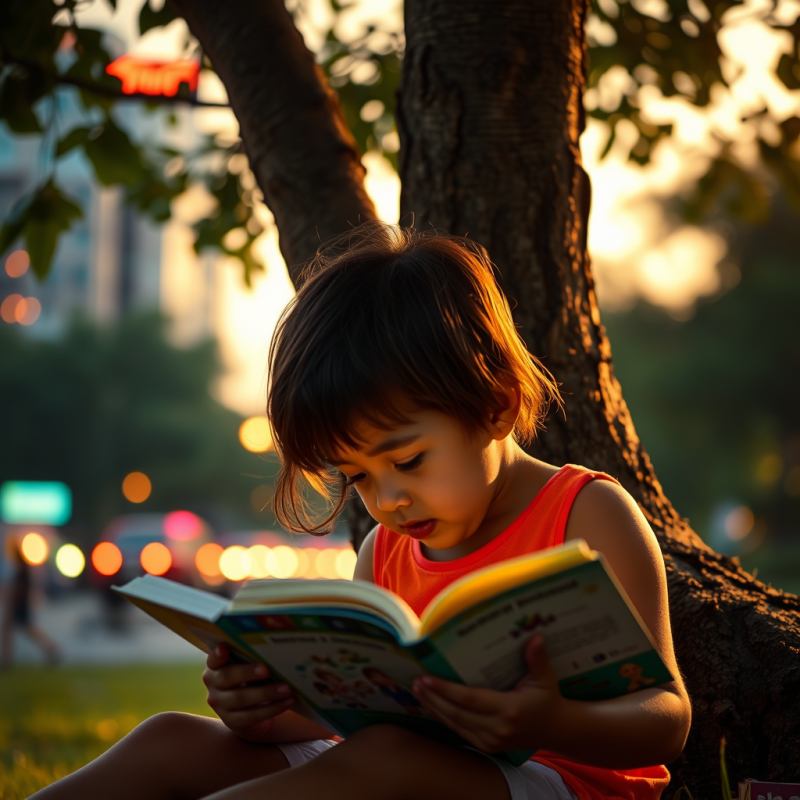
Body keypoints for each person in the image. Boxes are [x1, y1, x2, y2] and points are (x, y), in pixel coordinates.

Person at [32, 223, 691, 800]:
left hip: (555, 780)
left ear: (494, 404)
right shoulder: (385, 548)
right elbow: (363, 717)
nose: (388, 500)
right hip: (401, 765)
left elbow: (666, 717)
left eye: (407, 462)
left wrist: (550, 722)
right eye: (357, 478)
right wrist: (265, 710)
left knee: (385, 760)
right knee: (169, 738)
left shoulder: (586, 513)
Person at [1, 534, 60, 667]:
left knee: (26, 629)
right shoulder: (18, 566)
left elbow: (21, 587)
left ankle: (51, 648)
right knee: (13, 629)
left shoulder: (21, 567)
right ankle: (7, 659)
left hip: (19, 604)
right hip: (18, 603)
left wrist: (11, 596)